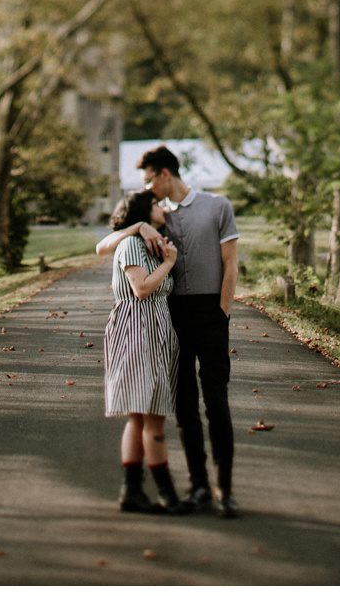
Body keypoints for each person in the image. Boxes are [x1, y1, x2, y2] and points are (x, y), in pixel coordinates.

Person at [95, 145, 241, 519]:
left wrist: (223, 313)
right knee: (184, 406)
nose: (147, 188)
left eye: (149, 180)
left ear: (164, 174)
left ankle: (224, 489)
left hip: (211, 314)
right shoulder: (157, 218)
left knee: (217, 402)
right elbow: (104, 246)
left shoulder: (216, 206)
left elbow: (231, 264)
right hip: (173, 318)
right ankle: (198, 486)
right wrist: (138, 225)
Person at [102, 189, 184, 514]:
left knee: (140, 415)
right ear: (142, 211)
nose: (162, 207)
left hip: (155, 330)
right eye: (155, 203)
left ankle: (131, 491)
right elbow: (142, 288)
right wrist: (169, 263)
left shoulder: (151, 244)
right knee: (153, 417)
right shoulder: (132, 244)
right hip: (137, 331)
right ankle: (167, 494)